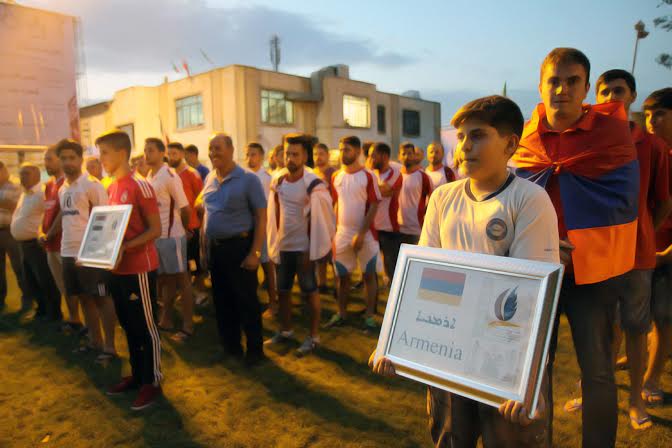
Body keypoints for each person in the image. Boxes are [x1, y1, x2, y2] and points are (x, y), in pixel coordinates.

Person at [371, 95, 559, 448]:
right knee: (449, 438)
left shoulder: (529, 200)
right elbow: (420, 278)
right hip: (448, 356)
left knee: (508, 441)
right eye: (460, 137)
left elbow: (531, 301)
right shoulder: (443, 198)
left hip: (503, 366)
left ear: (510, 143)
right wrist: (394, 344)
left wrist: (527, 381)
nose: (465, 147)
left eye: (478, 136)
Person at [511, 48, 639, 447]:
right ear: (540, 86)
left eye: (572, 81)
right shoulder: (525, 138)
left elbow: (624, 201)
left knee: (598, 371)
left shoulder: (612, 133)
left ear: (586, 88)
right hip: (537, 273)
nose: (562, 89)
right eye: (554, 80)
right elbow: (509, 201)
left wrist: (580, 243)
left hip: (593, 274)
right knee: (534, 369)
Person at [562, 70, 672, 430]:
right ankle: (592, 391)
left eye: (619, 90)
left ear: (633, 95)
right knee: (600, 329)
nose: (612, 95)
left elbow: (662, 203)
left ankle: (636, 399)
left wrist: (642, 236)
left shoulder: (652, 146)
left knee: (637, 328)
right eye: (605, 90)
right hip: (596, 256)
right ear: (595, 94)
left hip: (637, 257)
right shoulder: (588, 139)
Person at [98, 130, 163, 411]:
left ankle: (153, 381)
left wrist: (126, 247)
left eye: (104, 153)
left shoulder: (140, 185)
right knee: (128, 325)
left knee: (146, 326)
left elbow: (155, 230)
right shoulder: (112, 185)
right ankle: (138, 376)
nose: (100, 159)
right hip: (118, 270)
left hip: (140, 269)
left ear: (121, 153)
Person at [265, 133, 335, 356]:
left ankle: (313, 337)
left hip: (303, 249)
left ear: (305, 156)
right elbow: (274, 212)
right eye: (287, 154)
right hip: (284, 247)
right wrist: (275, 243)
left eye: (295, 154)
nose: (290, 159)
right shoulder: (278, 180)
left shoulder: (313, 183)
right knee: (282, 291)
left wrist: (311, 251)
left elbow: (321, 218)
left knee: (310, 292)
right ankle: (285, 330)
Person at [201, 133, 267, 365]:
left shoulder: (248, 179)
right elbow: (207, 215)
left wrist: (255, 252)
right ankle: (231, 348)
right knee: (222, 301)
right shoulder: (209, 178)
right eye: (210, 149)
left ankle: (255, 351)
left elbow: (261, 216)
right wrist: (204, 248)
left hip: (240, 247)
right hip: (216, 249)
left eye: (218, 148)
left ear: (231, 149)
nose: (213, 153)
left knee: (246, 301)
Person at [56, 139, 117, 360]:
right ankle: (95, 341)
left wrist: (95, 253)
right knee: (83, 299)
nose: (67, 162)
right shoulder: (63, 188)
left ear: (80, 159)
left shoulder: (92, 185)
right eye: (63, 158)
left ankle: (110, 347)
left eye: (71, 157)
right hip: (68, 252)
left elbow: (106, 220)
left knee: (102, 298)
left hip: (91, 254)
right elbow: (66, 218)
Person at [325, 135, 381, 331]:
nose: (342, 153)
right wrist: (334, 232)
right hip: (342, 233)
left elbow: (374, 204)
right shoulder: (335, 177)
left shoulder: (368, 176)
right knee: (342, 276)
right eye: (340, 150)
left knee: (369, 275)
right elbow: (335, 204)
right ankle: (341, 313)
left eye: (346, 150)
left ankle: (369, 316)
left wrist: (361, 233)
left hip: (366, 235)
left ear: (357, 152)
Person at [145, 139, 194, 343]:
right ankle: (166, 319)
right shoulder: (149, 175)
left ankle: (188, 326)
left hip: (172, 236)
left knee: (182, 279)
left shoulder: (170, 176)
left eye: (151, 151)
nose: (147, 155)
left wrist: (185, 229)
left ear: (161, 152)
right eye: (145, 151)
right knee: (165, 279)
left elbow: (185, 208)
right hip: (157, 237)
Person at [642, 87, 672, 406]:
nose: (652, 121)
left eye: (660, 113)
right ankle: (641, 361)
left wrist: (666, 254)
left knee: (664, 318)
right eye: (648, 114)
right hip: (644, 253)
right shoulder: (649, 154)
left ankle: (652, 379)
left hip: (666, 255)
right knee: (634, 318)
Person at [39, 144, 83, 332]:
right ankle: (73, 319)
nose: (46, 164)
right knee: (63, 285)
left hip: (64, 243)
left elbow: (62, 214)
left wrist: (49, 234)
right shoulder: (50, 185)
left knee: (74, 287)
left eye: (50, 159)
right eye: (45, 160)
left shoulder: (69, 184)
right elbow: (47, 211)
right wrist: (41, 231)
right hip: (51, 245)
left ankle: (81, 321)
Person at [11, 163, 61, 321]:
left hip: (36, 244)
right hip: (23, 244)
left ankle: (53, 313)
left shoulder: (42, 192)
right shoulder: (25, 193)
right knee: (31, 280)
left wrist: (44, 233)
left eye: (26, 173)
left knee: (45, 279)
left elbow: (48, 215)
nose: (22, 177)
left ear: (36, 175)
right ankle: (41, 309)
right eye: (21, 173)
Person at [166, 142, 207, 306]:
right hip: (177, 229)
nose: (171, 157)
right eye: (169, 154)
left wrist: (197, 226)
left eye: (174, 153)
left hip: (192, 228)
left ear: (182, 154)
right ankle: (190, 293)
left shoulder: (192, 174)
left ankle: (199, 294)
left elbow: (201, 200)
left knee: (195, 264)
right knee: (183, 266)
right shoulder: (169, 175)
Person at [244, 142, 278, 318]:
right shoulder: (241, 176)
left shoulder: (267, 177)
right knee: (247, 268)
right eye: (248, 154)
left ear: (261, 156)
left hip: (263, 228)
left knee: (267, 266)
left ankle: (273, 303)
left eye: (254, 154)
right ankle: (251, 303)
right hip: (245, 227)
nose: (250, 158)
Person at [371, 142, 402, 282]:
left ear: (384, 156)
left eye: (373, 156)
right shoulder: (371, 174)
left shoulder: (395, 172)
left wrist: (372, 190)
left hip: (389, 227)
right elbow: (379, 191)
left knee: (392, 264)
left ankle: (394, 292)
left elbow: (385, 191)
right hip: (372, 227)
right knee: (372, 265)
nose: (370, 159)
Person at [0, 161, 28, 309]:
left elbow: (17, 207)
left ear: (4, 170)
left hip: (10, 232)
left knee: (19, 267)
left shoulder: (16, 185)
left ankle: (28, 298)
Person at [312, 142, 336, 293]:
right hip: (316, 220)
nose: (318, 157)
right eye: (315, 154)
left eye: (321, 154)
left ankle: (338, 284)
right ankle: (322, 283)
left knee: (333, 255)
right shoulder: (310, 173)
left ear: (327, 155)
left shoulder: (333, 174)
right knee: (319, 253)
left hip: (331, 219)